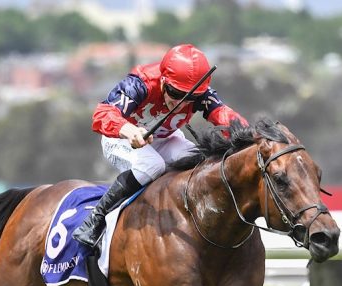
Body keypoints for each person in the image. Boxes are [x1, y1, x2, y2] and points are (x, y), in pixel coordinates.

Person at [72, 43, 247, 248]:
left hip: (164, 139)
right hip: (120, 138)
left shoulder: (200, 91)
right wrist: (129, 130)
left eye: (191, 97)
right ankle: (95, 220)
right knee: (152, 164)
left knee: (199, 161)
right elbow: (102, 113)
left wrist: (250, 137)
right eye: (175, 93)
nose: (181, 103)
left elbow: (225, 116)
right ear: (164, 80)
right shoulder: (140, 84)